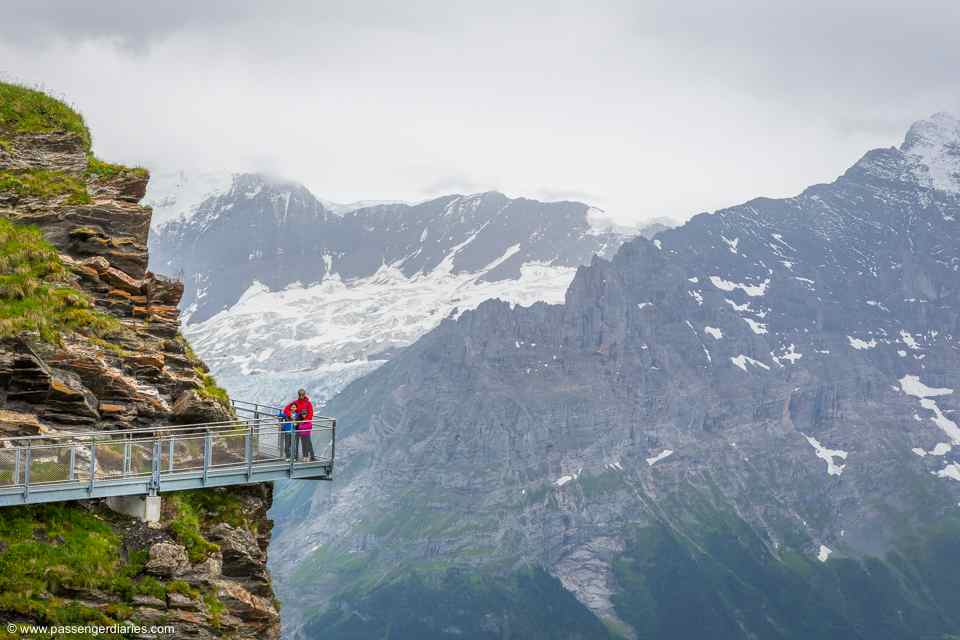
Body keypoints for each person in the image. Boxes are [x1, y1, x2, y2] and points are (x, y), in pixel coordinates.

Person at [294, 388, 315, 462]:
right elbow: (291, 410)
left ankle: (310, 456)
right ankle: (295, 456)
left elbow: (310, 414)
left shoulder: (308, 403)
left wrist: (305, 421)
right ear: (298, 395)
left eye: (302, 395)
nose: (301, 396)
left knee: (306, 441)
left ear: (304, 395)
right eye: (300, 395)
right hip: (297, 425)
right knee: (296, 440)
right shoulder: (295, 402)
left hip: (305, 425)